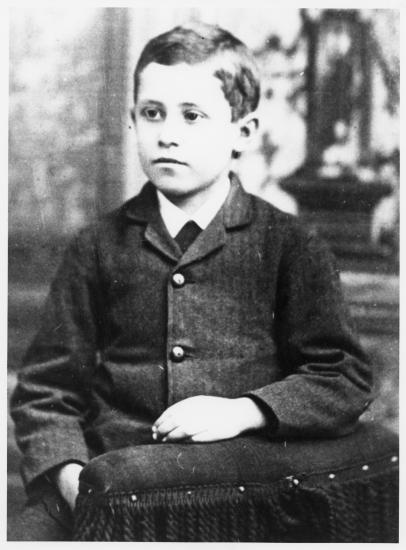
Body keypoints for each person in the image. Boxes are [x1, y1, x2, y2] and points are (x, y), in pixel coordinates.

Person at [9, 21, 373, 541]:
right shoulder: (97, 245)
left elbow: (343, 378)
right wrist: (75, 483)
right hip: (109, 480)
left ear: (242, 133)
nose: (168, 134)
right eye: (152, 113)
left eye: (192, 116)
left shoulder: (291, 244)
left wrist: (245, 411)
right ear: (132, 121)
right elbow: (46, 390)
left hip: (242, 492)